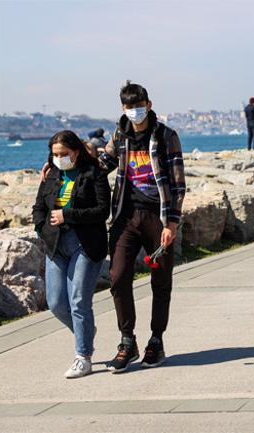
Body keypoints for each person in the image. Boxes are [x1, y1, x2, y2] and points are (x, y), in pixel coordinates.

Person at [98, 81, 186, 373]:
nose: (134, 111)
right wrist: (64, 165)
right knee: (118, 276)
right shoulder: (120, 134)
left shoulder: (166, 136)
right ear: (123, 108)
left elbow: (177, 183)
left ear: (148, 104)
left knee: (161, 280)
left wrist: (171, 222)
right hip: (126, 215)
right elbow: (103, 164)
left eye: (139, 105)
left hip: (157, 218)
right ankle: (127, 340)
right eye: (128, 106)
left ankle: (156, 340)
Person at [32, 130, 110, 378]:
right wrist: (41, 229)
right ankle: (85, 331)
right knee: (55, 303)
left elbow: (102, 210)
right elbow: (38, 207)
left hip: (84, 244)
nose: (59, 158)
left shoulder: (94, 174)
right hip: (55, 245)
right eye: (55, 154)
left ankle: (83, 357)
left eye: (63, 154)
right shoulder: (51, 174)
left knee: (78, 301)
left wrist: (68, 215)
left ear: (76, 152)